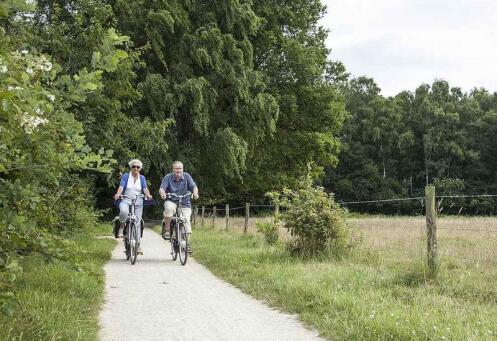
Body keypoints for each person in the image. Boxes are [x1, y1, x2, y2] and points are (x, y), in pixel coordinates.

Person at [113, 159, 153, 254]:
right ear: (130, 168)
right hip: (126, 199)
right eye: (134, 167)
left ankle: (138, 245)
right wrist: (118, 194)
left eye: (138, 167)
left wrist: (148, 195)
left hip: (138, 202)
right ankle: (122, 227)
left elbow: (145, 188)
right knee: (123, 212)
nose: (136, 168)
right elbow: (121, 186)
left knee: (137, 223)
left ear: (140, 169)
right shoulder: (126, 176)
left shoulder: (142, 178)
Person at [159, 161, 199, 253]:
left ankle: (187, 244)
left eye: (180, 168)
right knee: (168, 208)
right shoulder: (168, 177)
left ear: (182, 169)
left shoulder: (187, 176)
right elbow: (162, 188)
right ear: (173, 169)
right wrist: (163, 193)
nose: (178, 170)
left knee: (186, 221)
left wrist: (195, 193)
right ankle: (167, 230)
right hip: (172, 201)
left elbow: (194, 186)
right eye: (176, 168)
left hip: (185, 203)